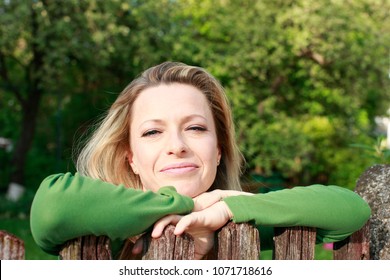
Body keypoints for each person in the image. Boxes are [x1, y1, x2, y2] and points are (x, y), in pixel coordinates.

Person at [30, 61, 371, 259]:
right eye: (153, 132)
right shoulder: (112, 225)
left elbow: (349, 211)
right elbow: (51, 208)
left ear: (219, 149)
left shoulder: (236, 219)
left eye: (194, 128)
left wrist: (226, 207)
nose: (176, 146)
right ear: (130, 157)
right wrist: (183, 207)